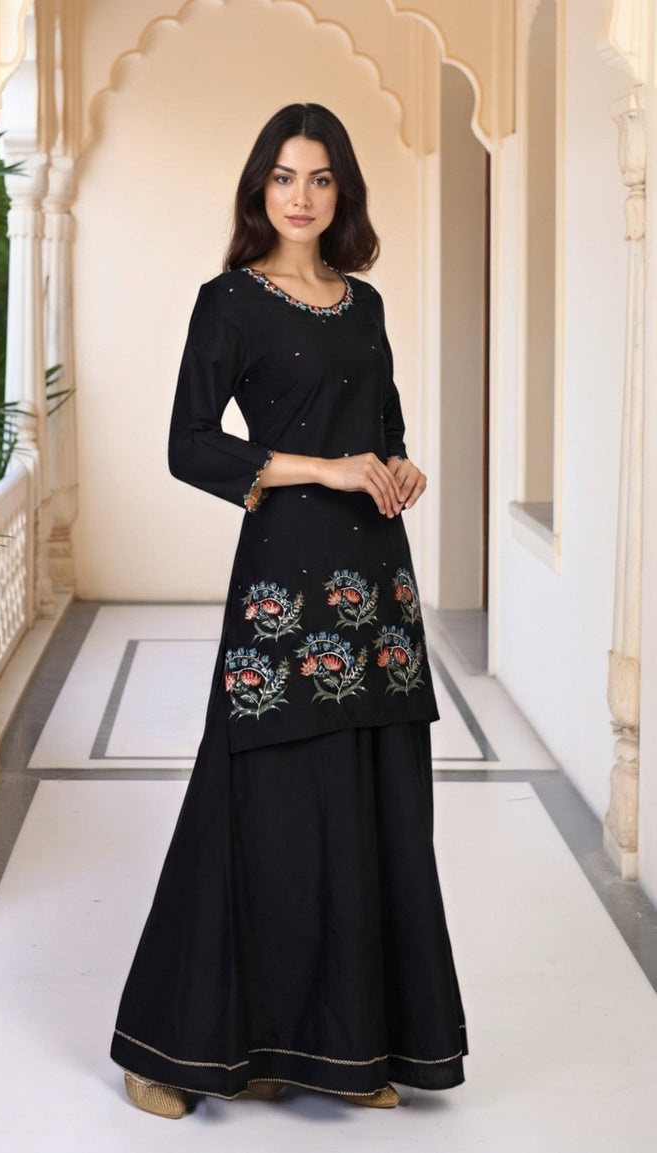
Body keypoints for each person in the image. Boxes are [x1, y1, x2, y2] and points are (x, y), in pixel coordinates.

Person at [110, 102, 467, 1120]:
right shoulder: (229, 302)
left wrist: (397, 468)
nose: (299, 197)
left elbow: (383, 429)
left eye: (318, 178)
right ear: (258, 188)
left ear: (341, 190)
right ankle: (167, 1053)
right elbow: (189, 443)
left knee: (368, 809)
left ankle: (344, 1050)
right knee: (258, 808)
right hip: (284, 580)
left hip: (375, 585)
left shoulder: (363, 303)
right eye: (282, 177)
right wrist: (327, 467)